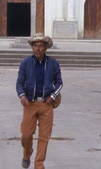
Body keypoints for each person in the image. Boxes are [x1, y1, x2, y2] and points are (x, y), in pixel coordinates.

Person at [16, 33, 63, 169]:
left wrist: (53, 96)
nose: (37, 49)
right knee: (26, 135)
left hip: (46, 105)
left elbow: (59, 83)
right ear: (32, 47)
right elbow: (19, 83)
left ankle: (39, 164)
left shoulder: (53, 64)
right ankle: (27, 152)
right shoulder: (25, 63)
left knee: (44, 137)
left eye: (40, 46)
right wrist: (22, 96)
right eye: (35, 46)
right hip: (30, 103)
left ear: (46, 48)